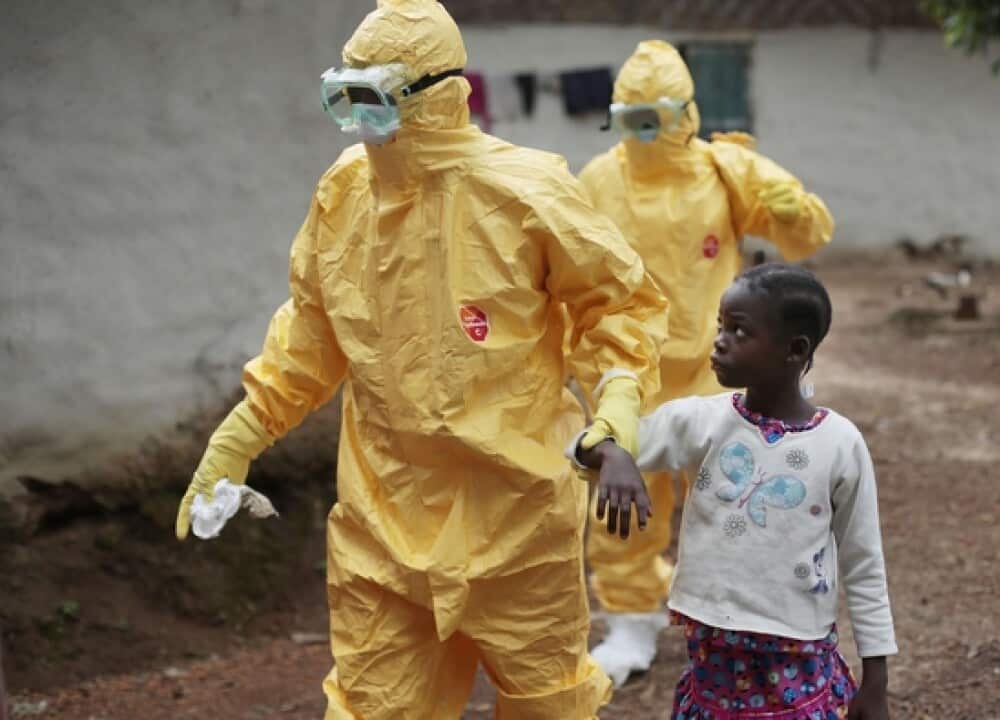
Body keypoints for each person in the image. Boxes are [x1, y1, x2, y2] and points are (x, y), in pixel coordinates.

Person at [172, 1, 668, 717]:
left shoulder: (525, 191)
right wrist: (242, 434)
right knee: (373, 705)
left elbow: (617, 305)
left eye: (370, 100)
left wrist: (615, 415)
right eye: (343, 96)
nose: (355, 119)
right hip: (385, 522)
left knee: (546, 702)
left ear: (433, 94)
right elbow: (309, 335)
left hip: (517, 517)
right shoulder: (345, 191)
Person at [579, 39, 835, 686]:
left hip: (716, 368)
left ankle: (743, 617)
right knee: (623, 504)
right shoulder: (598, 181)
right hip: (629, 374)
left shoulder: (724, 171)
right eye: (629, 118)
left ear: (684, 116)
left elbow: (804, 237)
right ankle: (632, 621)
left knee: (734, 498)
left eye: (653, 119)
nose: (642, 134)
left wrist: (787, 205)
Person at [577, 264, 897, 720]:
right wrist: (612, 454)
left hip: (796, 660)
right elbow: (582, 448)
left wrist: (877, 682)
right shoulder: (700, 422)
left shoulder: (839, 444)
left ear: (795, 350)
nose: (721, 340)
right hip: (713, 663)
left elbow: (864, 563)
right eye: (721, 326)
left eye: (740, 330)